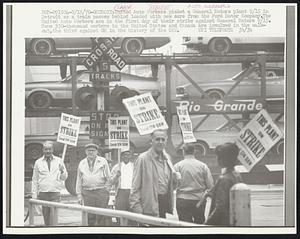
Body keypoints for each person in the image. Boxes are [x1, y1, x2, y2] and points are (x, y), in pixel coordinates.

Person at [130, 129, 178, 219]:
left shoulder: (167, 158)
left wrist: (175, 180)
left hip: (163, 204)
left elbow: (171, 186)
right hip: (148, 206)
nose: (160, 142)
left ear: (166, 142)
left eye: (163, 140)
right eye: (157, 139)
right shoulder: (142, 159)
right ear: (151, 141)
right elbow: (135, 188)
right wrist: (138, 211)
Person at [202, 142, 243, 226]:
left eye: (218, 157)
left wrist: (206, 224)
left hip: (223, 223)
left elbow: (220, 207)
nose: (216, 159)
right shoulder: (236, 175)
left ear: (222, 159)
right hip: (233, 220)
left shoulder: (224, 179)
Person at [174, 143, 214, 224]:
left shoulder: (177, 166)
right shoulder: (203, 166)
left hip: (182, 199)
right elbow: (210, 186)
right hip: (199, 200)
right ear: (194, 151)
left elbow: (173, 184)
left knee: (185, 227)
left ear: (183, 151)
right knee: (199, 226)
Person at [32, 141, 68, 226]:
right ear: (43, 150)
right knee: (47, 219)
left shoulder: (59, 161)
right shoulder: (38, 162)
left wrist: (62, 170)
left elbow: (64, 177)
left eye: (49, 149)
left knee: (53, 218)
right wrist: (34, 196)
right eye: (46, 149)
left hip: (55, 193)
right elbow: (35, 180)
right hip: (43, 194)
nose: (48, 151)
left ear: (53, 150)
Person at [76, 143, 111, 226]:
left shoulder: (103, 161)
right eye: (89, 151)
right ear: (85, 152)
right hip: (88, 193)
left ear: (96, 152)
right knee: (90, 215)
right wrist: (79, 195)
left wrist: (107, 189)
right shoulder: (82, 163)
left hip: (101, 191)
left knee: (101, 215)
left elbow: (108, 177)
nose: (91, 152)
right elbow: (78, 180)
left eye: (93, 150)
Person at [110, 149, 134, 226]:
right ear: (121, 156)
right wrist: (116, 176)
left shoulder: (134, 166)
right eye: (124, 155)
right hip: (120, 193)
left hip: (132, 193)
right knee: (120, 214)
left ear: (131, 156)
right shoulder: (117, 167)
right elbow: (111, 181)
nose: (126, 156)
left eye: (128, 154)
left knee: (132, 214)